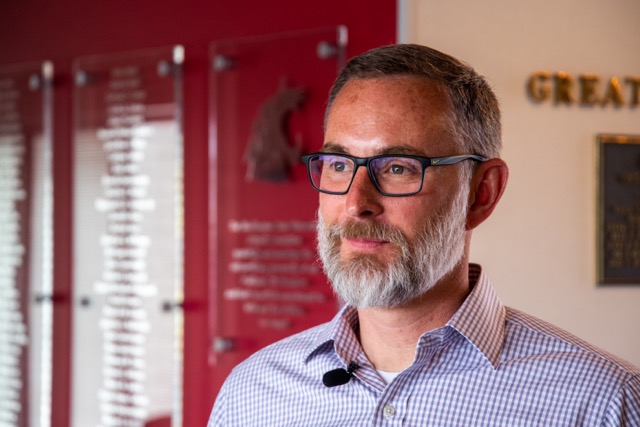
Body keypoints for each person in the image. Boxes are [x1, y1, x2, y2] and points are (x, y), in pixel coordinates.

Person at [208, 44, 640, 426]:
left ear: (481, 193)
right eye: (339, 165)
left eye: (398, 168)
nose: (357, 202)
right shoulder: (252, 396)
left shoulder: (600, 403)